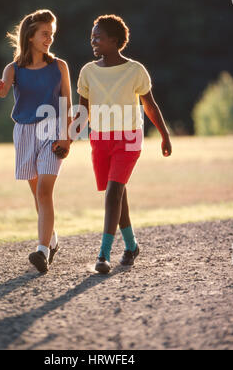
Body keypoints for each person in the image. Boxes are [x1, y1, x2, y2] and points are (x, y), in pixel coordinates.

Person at [72, 14, 172, 274]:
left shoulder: (135, 70)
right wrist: (67, 139)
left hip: (128, 139)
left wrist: (165, 135)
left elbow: (149, 105)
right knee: (118, 191)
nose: (93, 40)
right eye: (91, 36)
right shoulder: (88, 72)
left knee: (113, 193)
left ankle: (103, 255)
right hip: (100, 140)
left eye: (98, 37)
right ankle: (131, 246)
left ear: (114, 40)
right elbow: (82, 114)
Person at [0, 9, 72, 273]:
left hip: (53, 131)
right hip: (25, 133)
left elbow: (67, 104)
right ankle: (52, 239)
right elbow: (4, 90)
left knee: (44, 191)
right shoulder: (13, 68)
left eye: (52, 34)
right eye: (44, 34)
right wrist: (1, 88)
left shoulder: (59, 67)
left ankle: (42, 250)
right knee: (37, 193)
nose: (49, 38)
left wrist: (66, 136)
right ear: (30, 36)